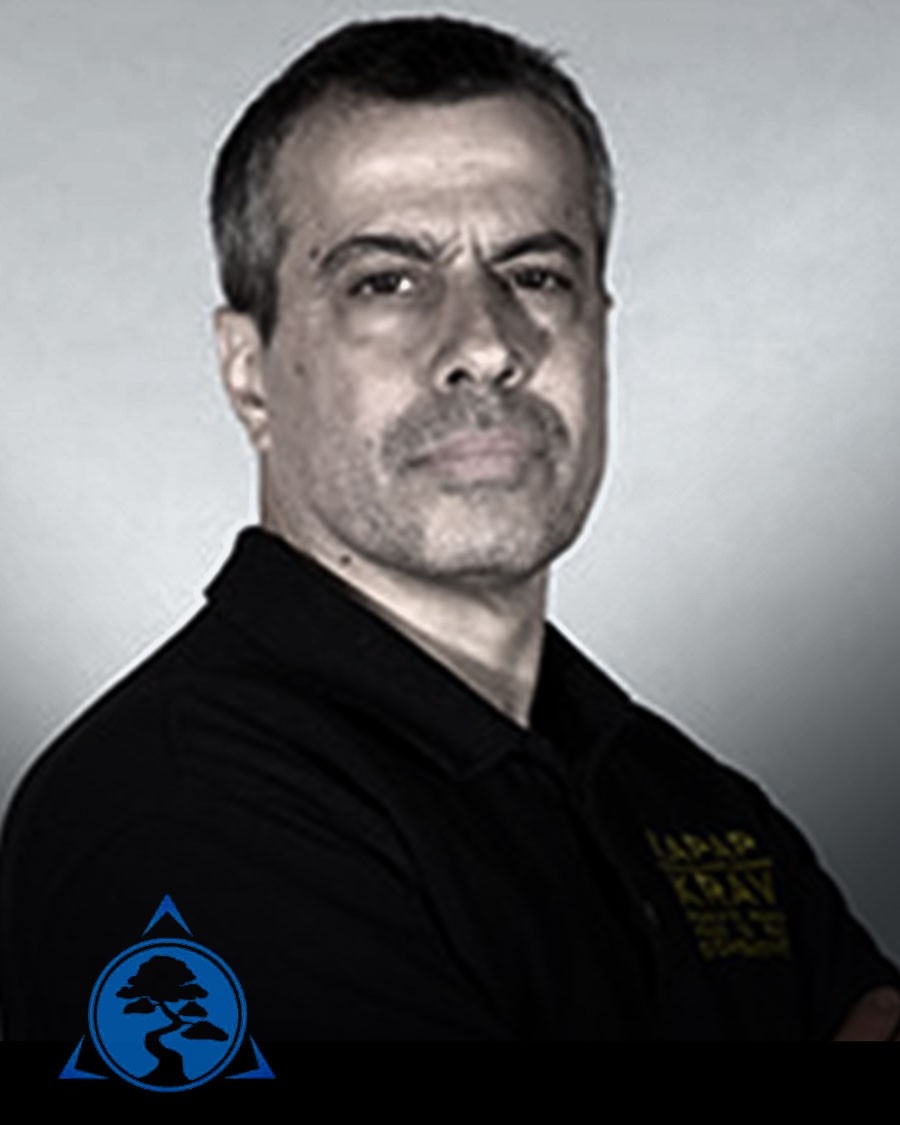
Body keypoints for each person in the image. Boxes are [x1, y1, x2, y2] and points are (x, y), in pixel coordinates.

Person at [1, 14, 898, 1043]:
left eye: (535, 274)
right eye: (387, 281)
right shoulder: (172, 811)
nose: (485, 344)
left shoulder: (690, 801)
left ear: (600, 331)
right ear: (249, 376)